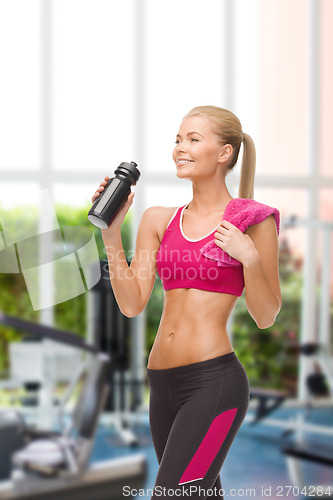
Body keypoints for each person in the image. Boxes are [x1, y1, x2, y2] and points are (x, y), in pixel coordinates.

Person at [91, 105, 282, 499]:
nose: (180, 147)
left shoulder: (252, 223)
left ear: (225, 153)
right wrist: (111, 236)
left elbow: (266, 315)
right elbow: (132, 303)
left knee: (173, 495)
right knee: (199, 494)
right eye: (178, 139)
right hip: (161, 386)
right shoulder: (158, 220)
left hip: (215, 386)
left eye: (194, 139)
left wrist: (248, 256)